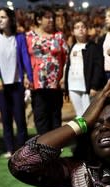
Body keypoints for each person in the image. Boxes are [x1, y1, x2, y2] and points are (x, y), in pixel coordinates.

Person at [0, 7, 33, 158]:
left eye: (3, 17)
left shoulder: (19, 37)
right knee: (6, 118)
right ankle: (10, 149)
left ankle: (22, 149)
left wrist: (29, 76)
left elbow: (25, 58)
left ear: (11, 19)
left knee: (20, 118)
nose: (0, 20)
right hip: (1, 85)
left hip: (17, 84)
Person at [26, 5, 68, 135]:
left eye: (52, 18)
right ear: (38, 19)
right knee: (41, 117)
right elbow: (24, 59)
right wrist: (25, 76)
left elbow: (67, 58)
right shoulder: (29, 36)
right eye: (47, 17)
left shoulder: (59, 36)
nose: (51, 20)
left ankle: (55, 149)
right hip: (38, 84)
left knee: (55, 117)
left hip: (56, 84)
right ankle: (43, 148)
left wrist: (64, 77)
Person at [64, 17, 105, 116]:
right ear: (73, 32)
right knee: (79, 114)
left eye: (83, 27)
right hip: (73, 85)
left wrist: (94, 86)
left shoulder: (93, 47)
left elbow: (98, 67)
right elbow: (69, 66)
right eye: (77, 27)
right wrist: (65, 85)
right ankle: (82, 131)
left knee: (88, 114)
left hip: (86, 86)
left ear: (87, 30)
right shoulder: (73, 46)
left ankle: (88, 131)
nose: (80, 29)